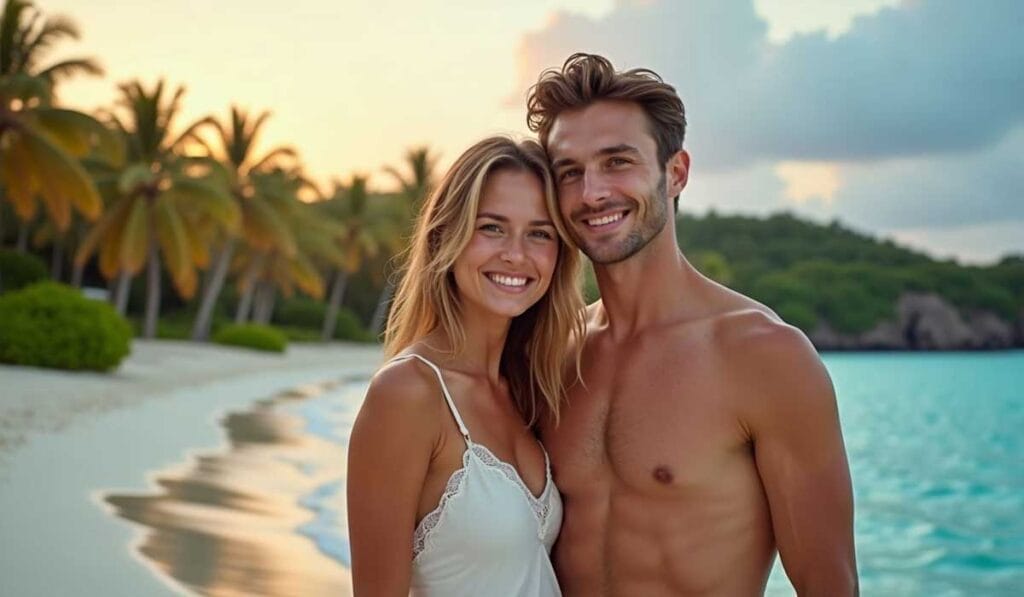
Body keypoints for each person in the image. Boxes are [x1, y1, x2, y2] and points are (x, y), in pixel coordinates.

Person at [526, 53, 858, 596]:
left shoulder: (766, 357)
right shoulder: (555, 357)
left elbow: (831, 586)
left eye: (617, 162)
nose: (592, 193)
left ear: (675, 173)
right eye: (570, 172)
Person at [347, 136, 585, 596]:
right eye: (492, 227)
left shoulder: (529, 390)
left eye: (540, 233)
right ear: (445, 237)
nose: (516, 254)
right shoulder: (408, 393)